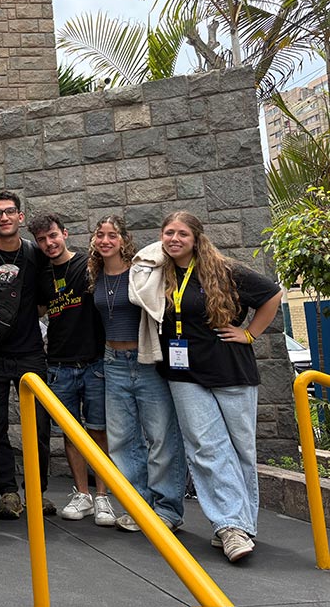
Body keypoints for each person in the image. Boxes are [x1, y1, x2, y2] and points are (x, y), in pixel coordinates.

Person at [134, 211, 281, 562]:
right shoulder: (160, 274)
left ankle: (242, 524)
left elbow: (272, 295)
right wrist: (158, 249)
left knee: (240, 449)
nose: (174, 239)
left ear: (197, 237)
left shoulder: (226, 270)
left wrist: (249, 334)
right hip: (184, 375)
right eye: (168, 233)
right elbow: (139, 270)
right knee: (204, 448)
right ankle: (229, 526)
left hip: (231, 371)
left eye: (182, 234)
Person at [91, 214, 186, 534]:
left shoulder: (143, 270)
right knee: (122, 442)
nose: (105, 240)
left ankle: (168, 509)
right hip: (112, 363)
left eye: (112, 235)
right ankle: (139, 507)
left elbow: (165, 248)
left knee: (161, 437)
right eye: (100, 235)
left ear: (123, 240)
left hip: (145, 360)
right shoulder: (95, 274)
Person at [28, 213, 115, 527]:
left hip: (94, 362)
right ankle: (82, 494)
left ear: (64, 233)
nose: (49, 243)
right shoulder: (42, 276)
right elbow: (37, 311)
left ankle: (103, 495)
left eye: (53, 236)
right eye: (42, 240)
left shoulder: (89, 265)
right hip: (59, 364)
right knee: (70, 431)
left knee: (97, 430)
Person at [0, 191, 54, 519]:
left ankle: (36, 491)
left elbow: (48, 298)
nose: (4, 218)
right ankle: (8, 491)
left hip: (31, 351)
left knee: (40, 426)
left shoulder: (37, 255)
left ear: (20, 216)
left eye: (9, 212)